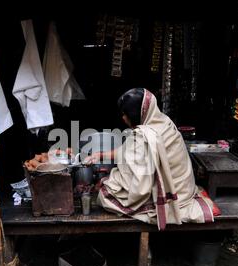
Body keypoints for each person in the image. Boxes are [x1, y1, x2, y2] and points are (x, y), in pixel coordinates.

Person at [87, 88, 218, 230]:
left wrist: (110, 180)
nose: (123, 118)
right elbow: (126, 152)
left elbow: (139, 189)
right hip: (183, 188)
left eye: (125, 114)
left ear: (136, 114)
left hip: (170, 197)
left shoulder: (143, 136)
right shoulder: (163, 121)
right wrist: (100, 155)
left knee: (105, 194)